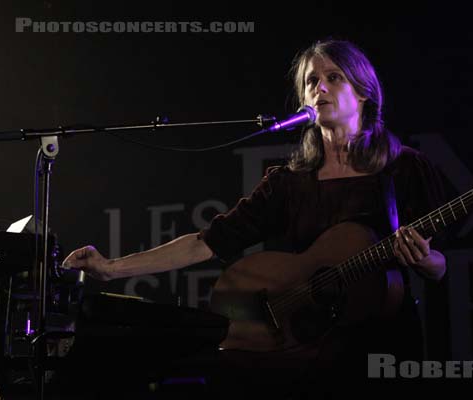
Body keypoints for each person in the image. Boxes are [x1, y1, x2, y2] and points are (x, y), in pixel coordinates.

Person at [63, 38, 447, 395]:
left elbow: (440, 265)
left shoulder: (404, 169)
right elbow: (206, 243)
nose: (320, 88)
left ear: (364, 92)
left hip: (382, 348)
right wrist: (111, 268)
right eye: (311, 81)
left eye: (334, 77)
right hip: (305, 354)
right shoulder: (288, 184)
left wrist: (427, 260)